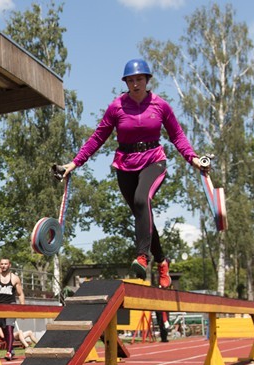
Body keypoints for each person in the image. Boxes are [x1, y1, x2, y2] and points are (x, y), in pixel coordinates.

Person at [60, 58, 206, 289]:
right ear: (126, 82)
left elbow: (177, 136)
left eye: (139, 79)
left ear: (147, 80)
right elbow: (98, 137)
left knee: (141, 200)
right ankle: (162, 261)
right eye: (130, 80)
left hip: (153, 161)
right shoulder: (116, 107)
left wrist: (193, 158)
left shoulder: (161, 106)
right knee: (142, 213)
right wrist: (75, 163)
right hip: (125, 164)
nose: (135, 83)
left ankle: (142, 257)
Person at [0, 258, 25, 360]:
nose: (3, 266)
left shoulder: (15, 278)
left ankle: (8, 352)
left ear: (9, 265)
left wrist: (22, 306)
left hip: (11, 306)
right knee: (4, 333)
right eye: (2, 264)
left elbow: (20, 294)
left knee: (9, 328)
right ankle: (11, 348)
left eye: (5, 264)